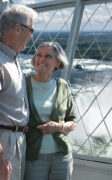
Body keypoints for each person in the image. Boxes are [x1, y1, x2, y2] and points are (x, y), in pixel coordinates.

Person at [24, 42, 76, 180]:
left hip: (62, 157)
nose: (41, 59)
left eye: (48, 56)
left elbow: (73, 122)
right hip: (33, 156)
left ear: (58, 62)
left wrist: (58, 127)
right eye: (39, 55)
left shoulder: (63, 86)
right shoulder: (23, 84)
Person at [0, 4, 37, 180]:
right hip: (4, 144)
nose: (31, 36)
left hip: (16, 141)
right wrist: (0, 156)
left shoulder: (13, 59)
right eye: (31, 30)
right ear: (17, 28)